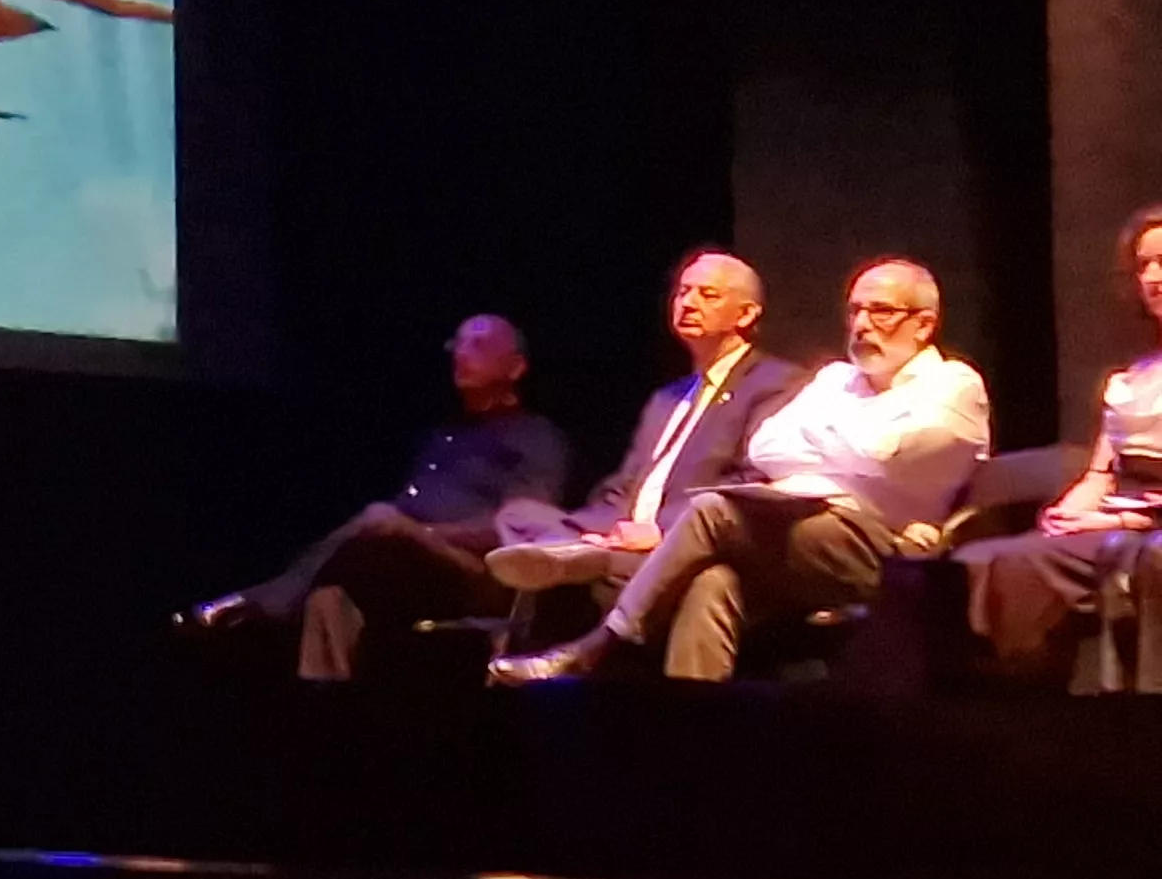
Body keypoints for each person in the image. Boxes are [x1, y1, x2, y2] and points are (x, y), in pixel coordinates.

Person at [491, 256, 988, 684]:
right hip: (803, 528)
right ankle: (696, 737)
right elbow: (771, 447)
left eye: (881, 311)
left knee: (713, 510)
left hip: (885, 549)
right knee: (713, 580)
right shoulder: (837, 379)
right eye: (855, 310)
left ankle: (595, 647)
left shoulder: (953, 385)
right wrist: (846, 450)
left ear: (923, 324)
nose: (861, 324)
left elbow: (883, 454)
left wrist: (825, 445)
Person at [175, 314, 571, 678]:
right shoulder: (443, 435)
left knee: (380, 518)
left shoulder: (535, 437)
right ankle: (332, 719)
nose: (462, 354)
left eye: (479, 345)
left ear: (516, 367)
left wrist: (424, 533)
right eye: (459, 344)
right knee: (329, 596)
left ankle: (256, 602)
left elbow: (520, 527)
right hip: (401, 564)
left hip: (475, 570)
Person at [482, 250, 804, 601]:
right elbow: (626, 487)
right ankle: (576, 553)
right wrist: (603, 529)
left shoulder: (775, 384)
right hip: (623, 535)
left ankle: (576, 559)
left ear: (746, 314)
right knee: (518, 515)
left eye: (708, 295)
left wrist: (660, 528)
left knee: (548, 567)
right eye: (683, 292)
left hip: (682, 538)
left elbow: (751, 484)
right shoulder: (666, 398)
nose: (688, 303)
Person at [955, 207, 1162, 689]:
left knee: (1012, 567)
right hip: (1114, 516)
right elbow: (1099, 475)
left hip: (1145, 527)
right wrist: (1066, 516)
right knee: (976, 560)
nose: (1152, 277)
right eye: (1142, 265)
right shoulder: (1132, 379)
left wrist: (1116, 521)